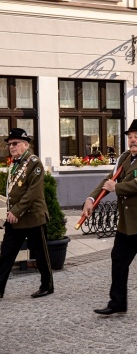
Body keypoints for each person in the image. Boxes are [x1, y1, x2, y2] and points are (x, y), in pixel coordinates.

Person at [82, 119, 137, 317]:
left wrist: (118, 188)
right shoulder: (125, 158)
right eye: (130, 137)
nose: (132, 140)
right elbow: (109, 180)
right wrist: (91, 199)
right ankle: (117, 303)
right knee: (119, 261)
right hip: (128, 223)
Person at [0, 128, 53, 299]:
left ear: (25, 144)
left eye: (15, 143)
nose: (11, 147)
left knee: (40, 255)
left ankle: (47, 285)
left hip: (32, 217)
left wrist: (16, 210)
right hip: (15, 219)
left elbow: (33, 192)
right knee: (6, 254)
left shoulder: (34, 162)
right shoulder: (14, 163)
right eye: (9, 144)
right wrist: (11, 211)